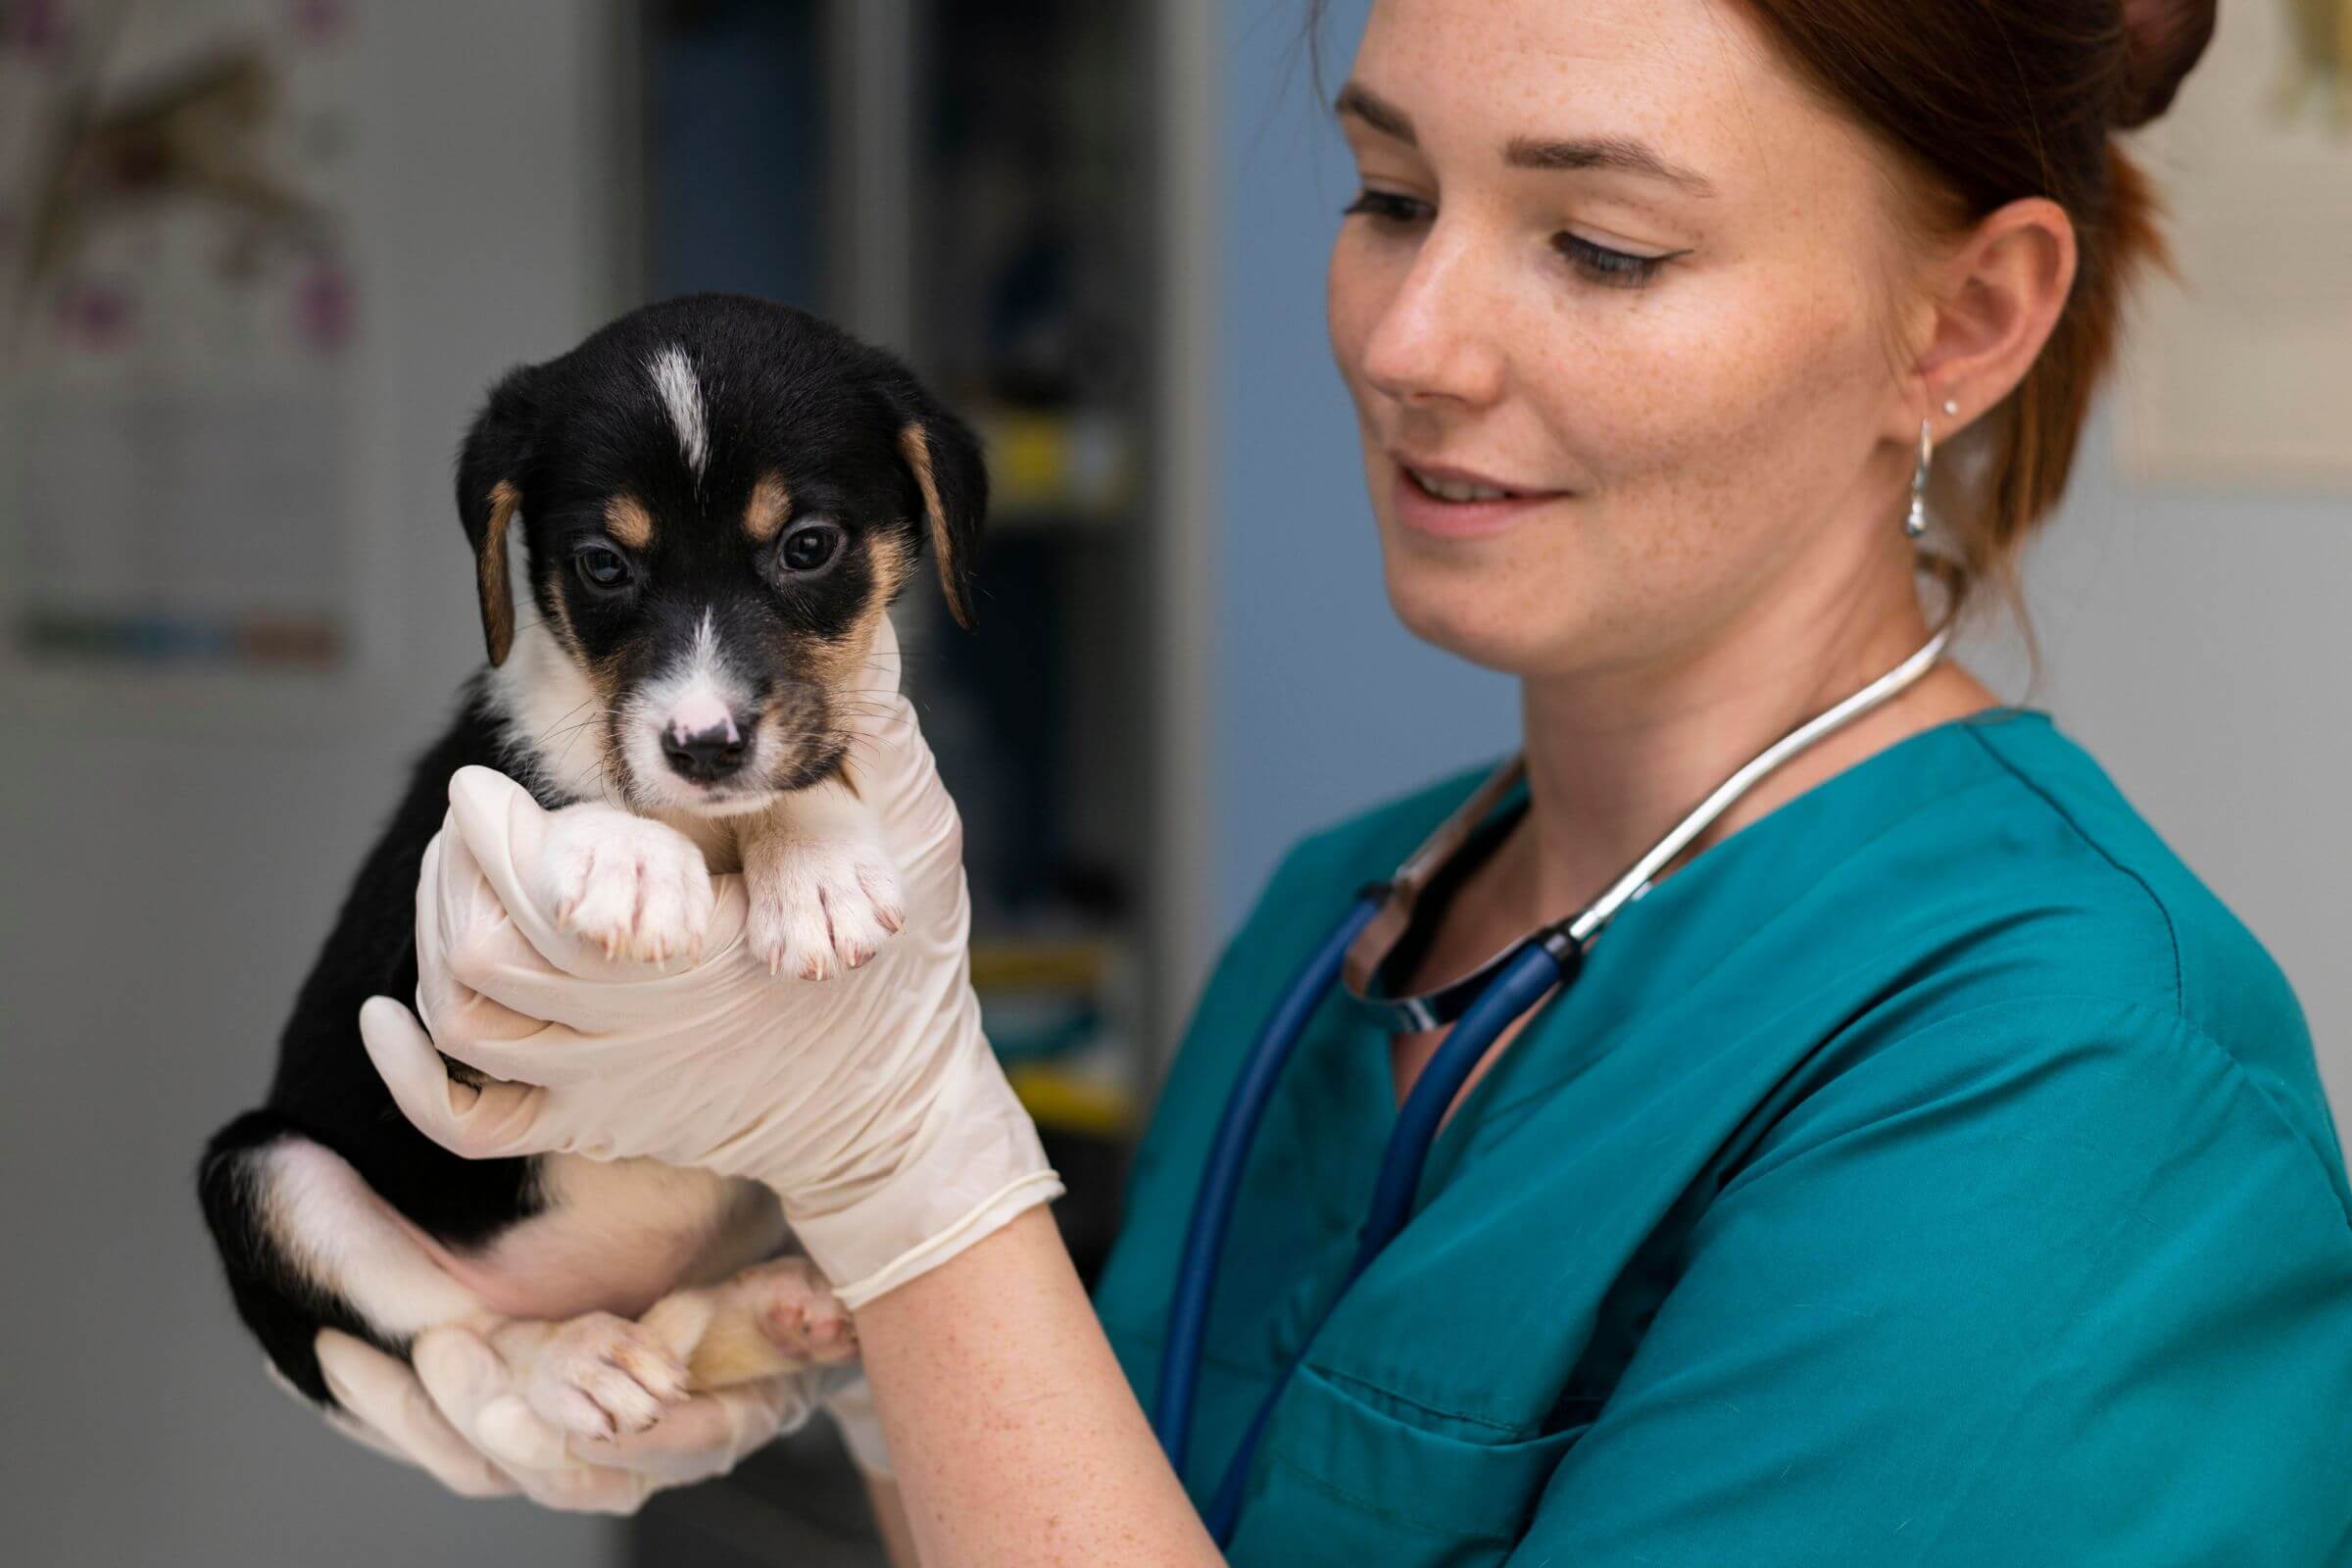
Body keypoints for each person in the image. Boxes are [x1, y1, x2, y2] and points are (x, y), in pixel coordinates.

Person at [305, 0, 2352, 1560]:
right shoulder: (1337, 920)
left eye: (1603, 244)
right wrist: (803, 1319)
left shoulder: (2079, 1086)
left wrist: (905, 1154)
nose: (1412, 336)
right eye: (1387, 194)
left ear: (1967, 321)